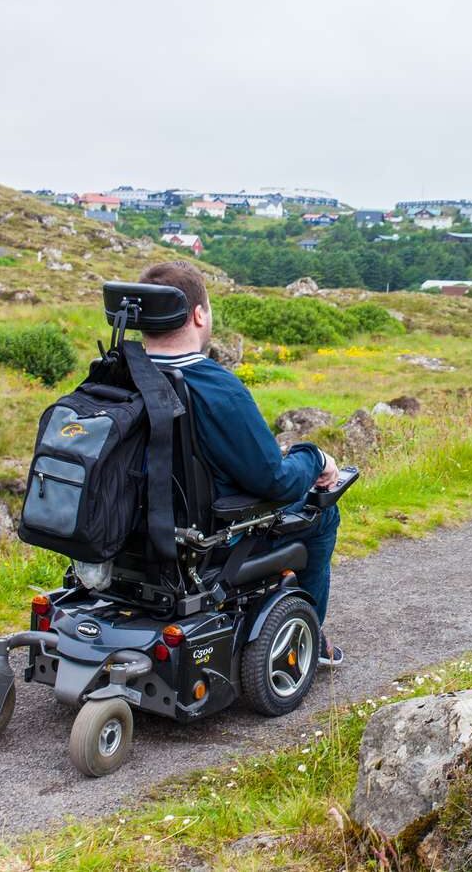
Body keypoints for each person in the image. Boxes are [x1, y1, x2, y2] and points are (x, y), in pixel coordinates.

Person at [136, 260, 344, 666]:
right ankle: (308, 635)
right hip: (203, 541)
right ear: (199, 314)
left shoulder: (117, 375)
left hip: (127, 533)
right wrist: (314, 456)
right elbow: (277, 482)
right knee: (322, 513)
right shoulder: (214, 388)